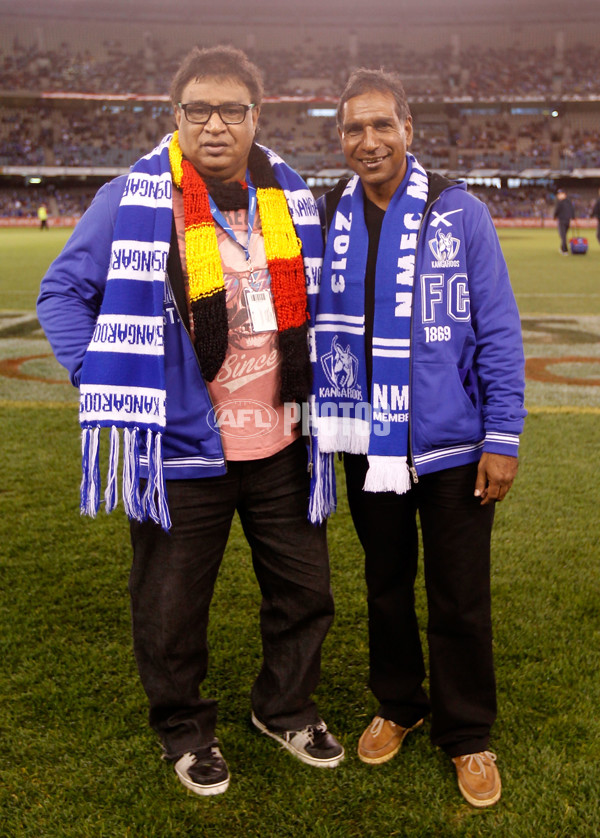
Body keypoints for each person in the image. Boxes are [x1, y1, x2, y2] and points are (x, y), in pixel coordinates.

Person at [37, 45, 344, 798]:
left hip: (282, 442)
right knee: (171, 609)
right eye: (197, 111)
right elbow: (61, 293)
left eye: (231, 111)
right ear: (175, 118)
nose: (214, 125)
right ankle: (185, 729)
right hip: (180, 449)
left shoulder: (290, 194)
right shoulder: (132, 197)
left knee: (307, 593)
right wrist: (107, 374)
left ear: (254, 118)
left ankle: (285, 708)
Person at [308, 69, 526, 808]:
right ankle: (399, 703)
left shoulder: (460, 212)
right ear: (341, 140)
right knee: (386, 584)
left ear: (409, 130)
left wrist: (503, 434)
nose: (367, 141)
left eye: (380, 125)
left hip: (455, 443)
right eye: (352, 129)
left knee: (460, 596)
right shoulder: (328, 211)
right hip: (367, 440)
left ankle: (468, 733)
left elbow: (496, 328)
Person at [553, 188, 575, 254]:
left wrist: (554, 216)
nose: (559, 196)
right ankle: (562, 247)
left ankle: (565, 250)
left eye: (560, 194)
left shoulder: (560, 202)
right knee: (564, 235)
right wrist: (573, 218)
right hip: (567, 220)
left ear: (564, 194)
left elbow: (557, 210)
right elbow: (572, 210)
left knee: (563, 235)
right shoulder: (569, 202)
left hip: (562, 220)